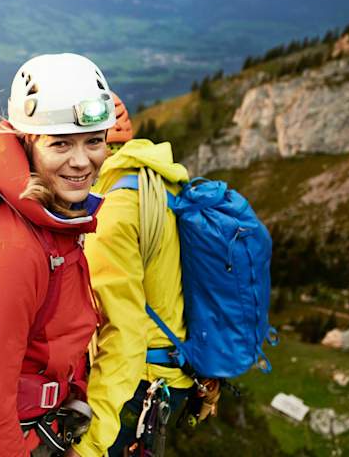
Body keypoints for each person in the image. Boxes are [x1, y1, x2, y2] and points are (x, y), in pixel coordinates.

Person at [0, 53, 116, 457]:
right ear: (27, 144)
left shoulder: (53, 221)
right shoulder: (10, 249)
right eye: (60, 144)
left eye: (94, 140)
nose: (81, 161)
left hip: (42, 430)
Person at [73, 94, 219, 457]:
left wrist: (89, 446)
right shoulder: (162, 181)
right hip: (176, 373)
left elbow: (122, 335)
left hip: (137, 387)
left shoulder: (113, 212)